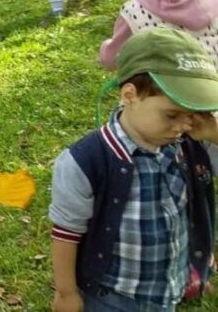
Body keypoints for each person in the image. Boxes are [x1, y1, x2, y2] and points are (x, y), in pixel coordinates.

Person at [50, 28, 218, 310]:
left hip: (169, 287)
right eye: (172, 114)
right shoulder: (84, 161)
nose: (182, 126)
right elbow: (67, 232)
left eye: (193, 113)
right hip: (113, 297)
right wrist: (66, 293)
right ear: (130, 95)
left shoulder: (194, 143)